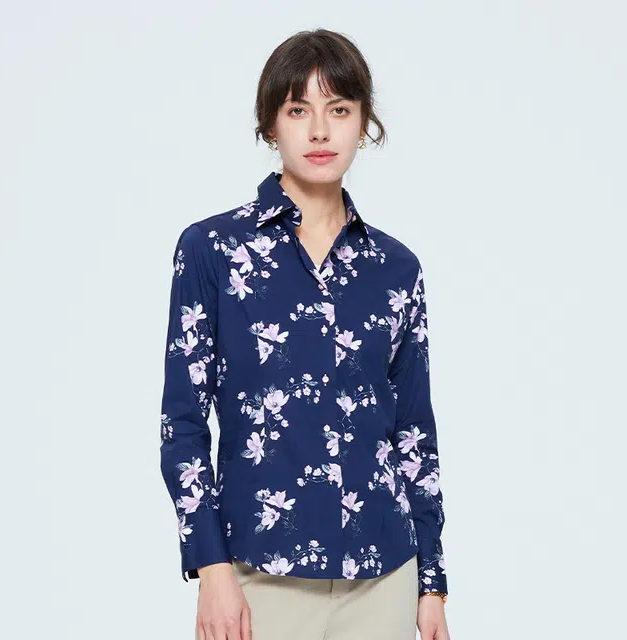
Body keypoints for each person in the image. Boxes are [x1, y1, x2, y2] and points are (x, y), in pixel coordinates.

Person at [160, 28, 451, 640]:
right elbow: (183, 424)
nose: (320, 131)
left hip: (384, 577)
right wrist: (211, 569)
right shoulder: (214, 250)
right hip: (259, 574)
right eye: (299, 110)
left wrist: (431, 585)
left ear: (364, 124)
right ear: (271, 125)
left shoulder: (396, 269)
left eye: (339, 110)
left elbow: (414, 434)